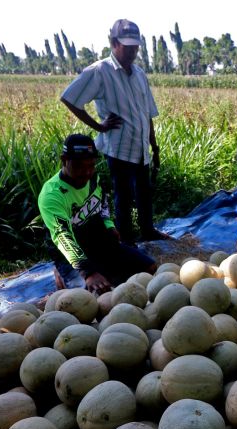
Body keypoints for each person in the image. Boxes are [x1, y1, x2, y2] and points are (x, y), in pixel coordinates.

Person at [61, 19, 167, 243]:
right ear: (113, 42)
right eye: (127, 46)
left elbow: (147, 113)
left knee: (144, 193)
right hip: (119, 148)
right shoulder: (100, 71)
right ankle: (127, 241)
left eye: (135, 46)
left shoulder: (139, 74)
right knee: (124, 197)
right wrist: (98, 127)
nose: (132, 51)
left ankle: (148, 231)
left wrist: (154, 145)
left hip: (140, 148)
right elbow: (70, 98)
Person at [38, 134, 157, 294]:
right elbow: (62, 236)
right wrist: (88, 272)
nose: (86, 172)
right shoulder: (52, 195)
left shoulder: (93, 177)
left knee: (149, 268)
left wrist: (109, 225)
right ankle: (62, 271)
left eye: (91, 165)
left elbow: (102, 201)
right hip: (69, 250)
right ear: (64, 160)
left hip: (98, 241)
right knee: (92, 299)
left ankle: (99, 266)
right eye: (79, 166)